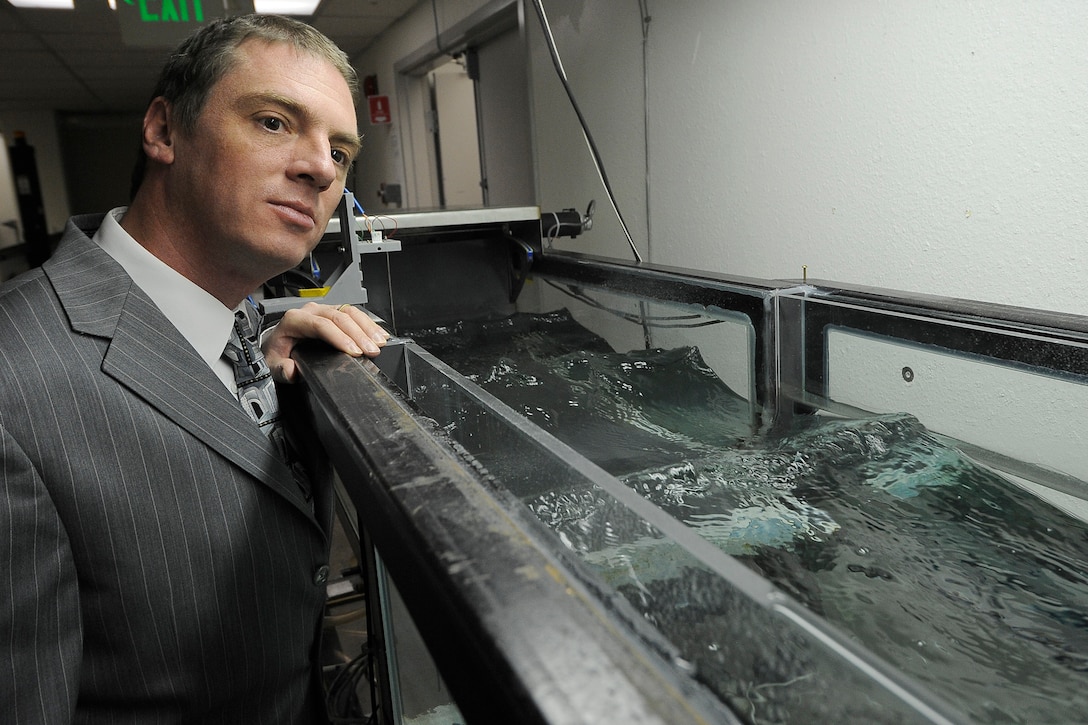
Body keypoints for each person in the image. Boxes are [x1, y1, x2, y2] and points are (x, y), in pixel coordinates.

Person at [0, 14, 389, 723]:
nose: (321, 167)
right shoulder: (14, 383)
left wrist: (268, 374)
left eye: (341, 150)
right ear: (164, 131)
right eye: (274, 121)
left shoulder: (239, 316)